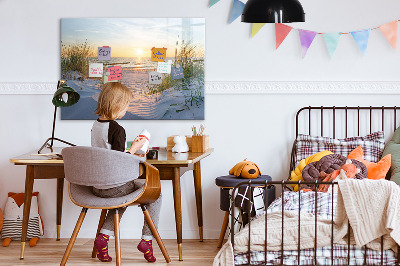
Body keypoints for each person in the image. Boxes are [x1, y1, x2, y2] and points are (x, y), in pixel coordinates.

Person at [91, 82, 162, 263]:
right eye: (126, 105)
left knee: (121, 198)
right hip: (114, 186)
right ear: (117, 105)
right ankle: (147, 240)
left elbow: (108, 154)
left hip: (97, 186)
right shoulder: (117, 129)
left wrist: (132, 150)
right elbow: (119, 161)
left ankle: (104, 238)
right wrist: (135, 149)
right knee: (156, 194)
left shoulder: (96, 125)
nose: (126, 109)